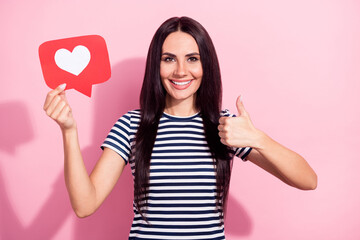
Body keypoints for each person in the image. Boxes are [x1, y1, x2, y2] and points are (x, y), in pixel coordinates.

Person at [43, 16, 317, 240]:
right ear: (156, 65)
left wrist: (259, 139)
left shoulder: (225, 127)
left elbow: (308, 181)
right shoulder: (131, 125)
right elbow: (84, 205)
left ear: (206, 65)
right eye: (169, 59)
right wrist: (69, 131)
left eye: (193, 59)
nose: (181, 71)